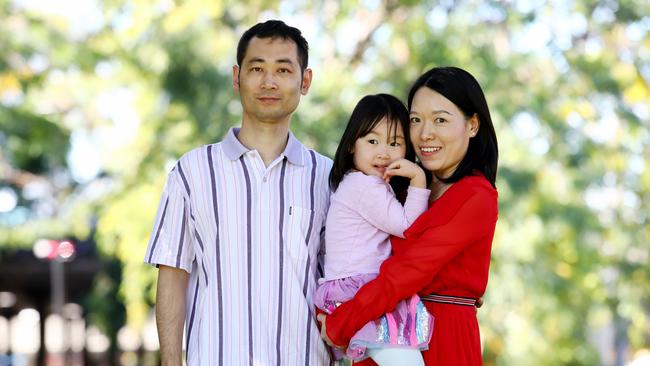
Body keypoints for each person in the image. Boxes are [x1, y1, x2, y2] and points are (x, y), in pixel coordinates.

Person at [144, 20, 333, 365]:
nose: (269, 82)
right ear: (236, 77)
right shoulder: (193, 171)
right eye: (256, 68)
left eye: (283, 69)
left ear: (305, 81)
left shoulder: (328, 177)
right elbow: (172, 277)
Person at [318, 66, 499, 366]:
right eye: (415, 120)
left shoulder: (476, 195)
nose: (425, 133)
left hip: (441, 337)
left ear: (472, 125)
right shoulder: (400, 188)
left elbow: (408, 270)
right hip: (383, 327)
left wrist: (343, 321)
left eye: (440, 120)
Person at [313, 94, 434, 365]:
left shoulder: (358, 183)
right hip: (356, 292)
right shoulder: (364, 187)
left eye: (394, 143)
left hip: (354, 289)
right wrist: (418, 178)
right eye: (372, 141)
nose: (383, 152)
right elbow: (409, 227)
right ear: (351, 146)